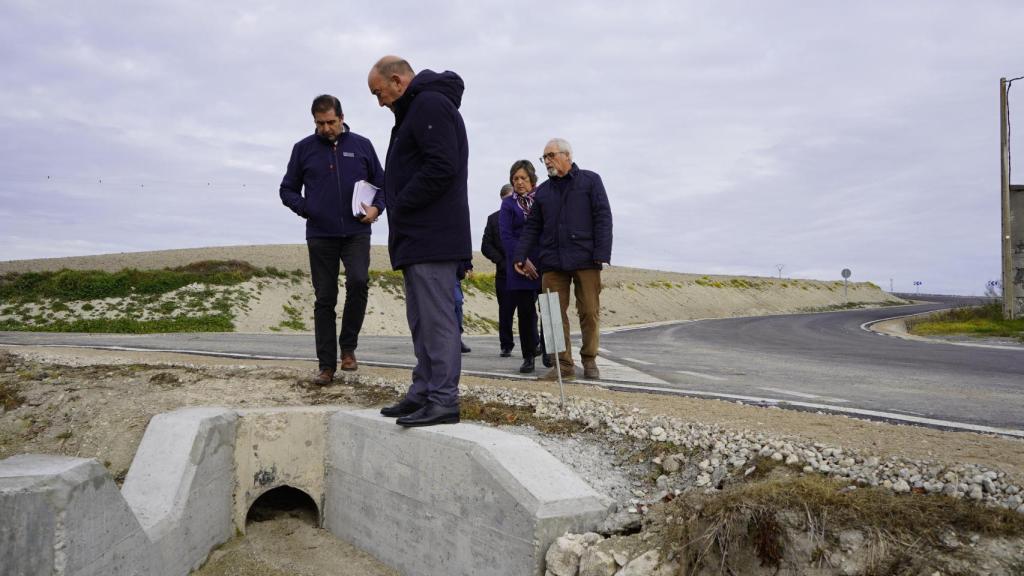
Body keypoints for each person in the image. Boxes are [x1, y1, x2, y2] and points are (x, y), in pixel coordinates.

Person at [368, 56, 471, 427]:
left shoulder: (429, 104)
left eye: (378, 93)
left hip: (433, 236)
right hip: (417, 238)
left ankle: (443, 400)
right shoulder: (412, 111)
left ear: (397, 81)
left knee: (437, 322)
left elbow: (441, 166)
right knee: (422, 322)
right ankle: (424, 391)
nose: (379, 102)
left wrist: (400, 202)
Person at [279, 94, 384, 386]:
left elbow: (383, 185)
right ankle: (326, 366)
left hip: (357, 232)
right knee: (325, 298)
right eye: (320, 123)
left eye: (331, 122)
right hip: (320, 235)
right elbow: (287, 189)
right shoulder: (303, 149)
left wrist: (376, 209)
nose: (326, 128)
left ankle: (348, 348)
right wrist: (306, 208)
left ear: (341, 118)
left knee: (359, 282)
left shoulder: (362, 146)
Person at [513, 138, 612, 380]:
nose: (547, 161)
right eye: (544, 157)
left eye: (551, 155)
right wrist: (520, 255)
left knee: (589, 311)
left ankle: (589, 360)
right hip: (552, 261)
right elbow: (533, 226)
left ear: (567, 155)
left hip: (586, 258)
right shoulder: (543, 191)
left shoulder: (590, 180)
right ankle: (564, 366)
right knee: (551, 314)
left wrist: (601, 254)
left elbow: (603, 217)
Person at [500, 160, 547, 374]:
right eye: (515, 178)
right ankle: (529, 356)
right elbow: (506, 235)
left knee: (548, 310)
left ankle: (548, 351)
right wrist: (521, 259)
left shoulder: (543, 198)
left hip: (544, 262)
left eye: (523, 178)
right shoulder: (508, 205)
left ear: (532, 179)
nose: (519, 182)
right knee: (526, 313)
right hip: (519, 266)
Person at [481, 184, 515, 357]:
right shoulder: (493, 219)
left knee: (528, 312)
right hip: (504, 273)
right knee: (505, 311)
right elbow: (486, 246)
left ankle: (533, 346)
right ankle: (506, 345)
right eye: (505, 199)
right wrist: (501, 262)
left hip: (526, 272)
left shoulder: (526, 216)